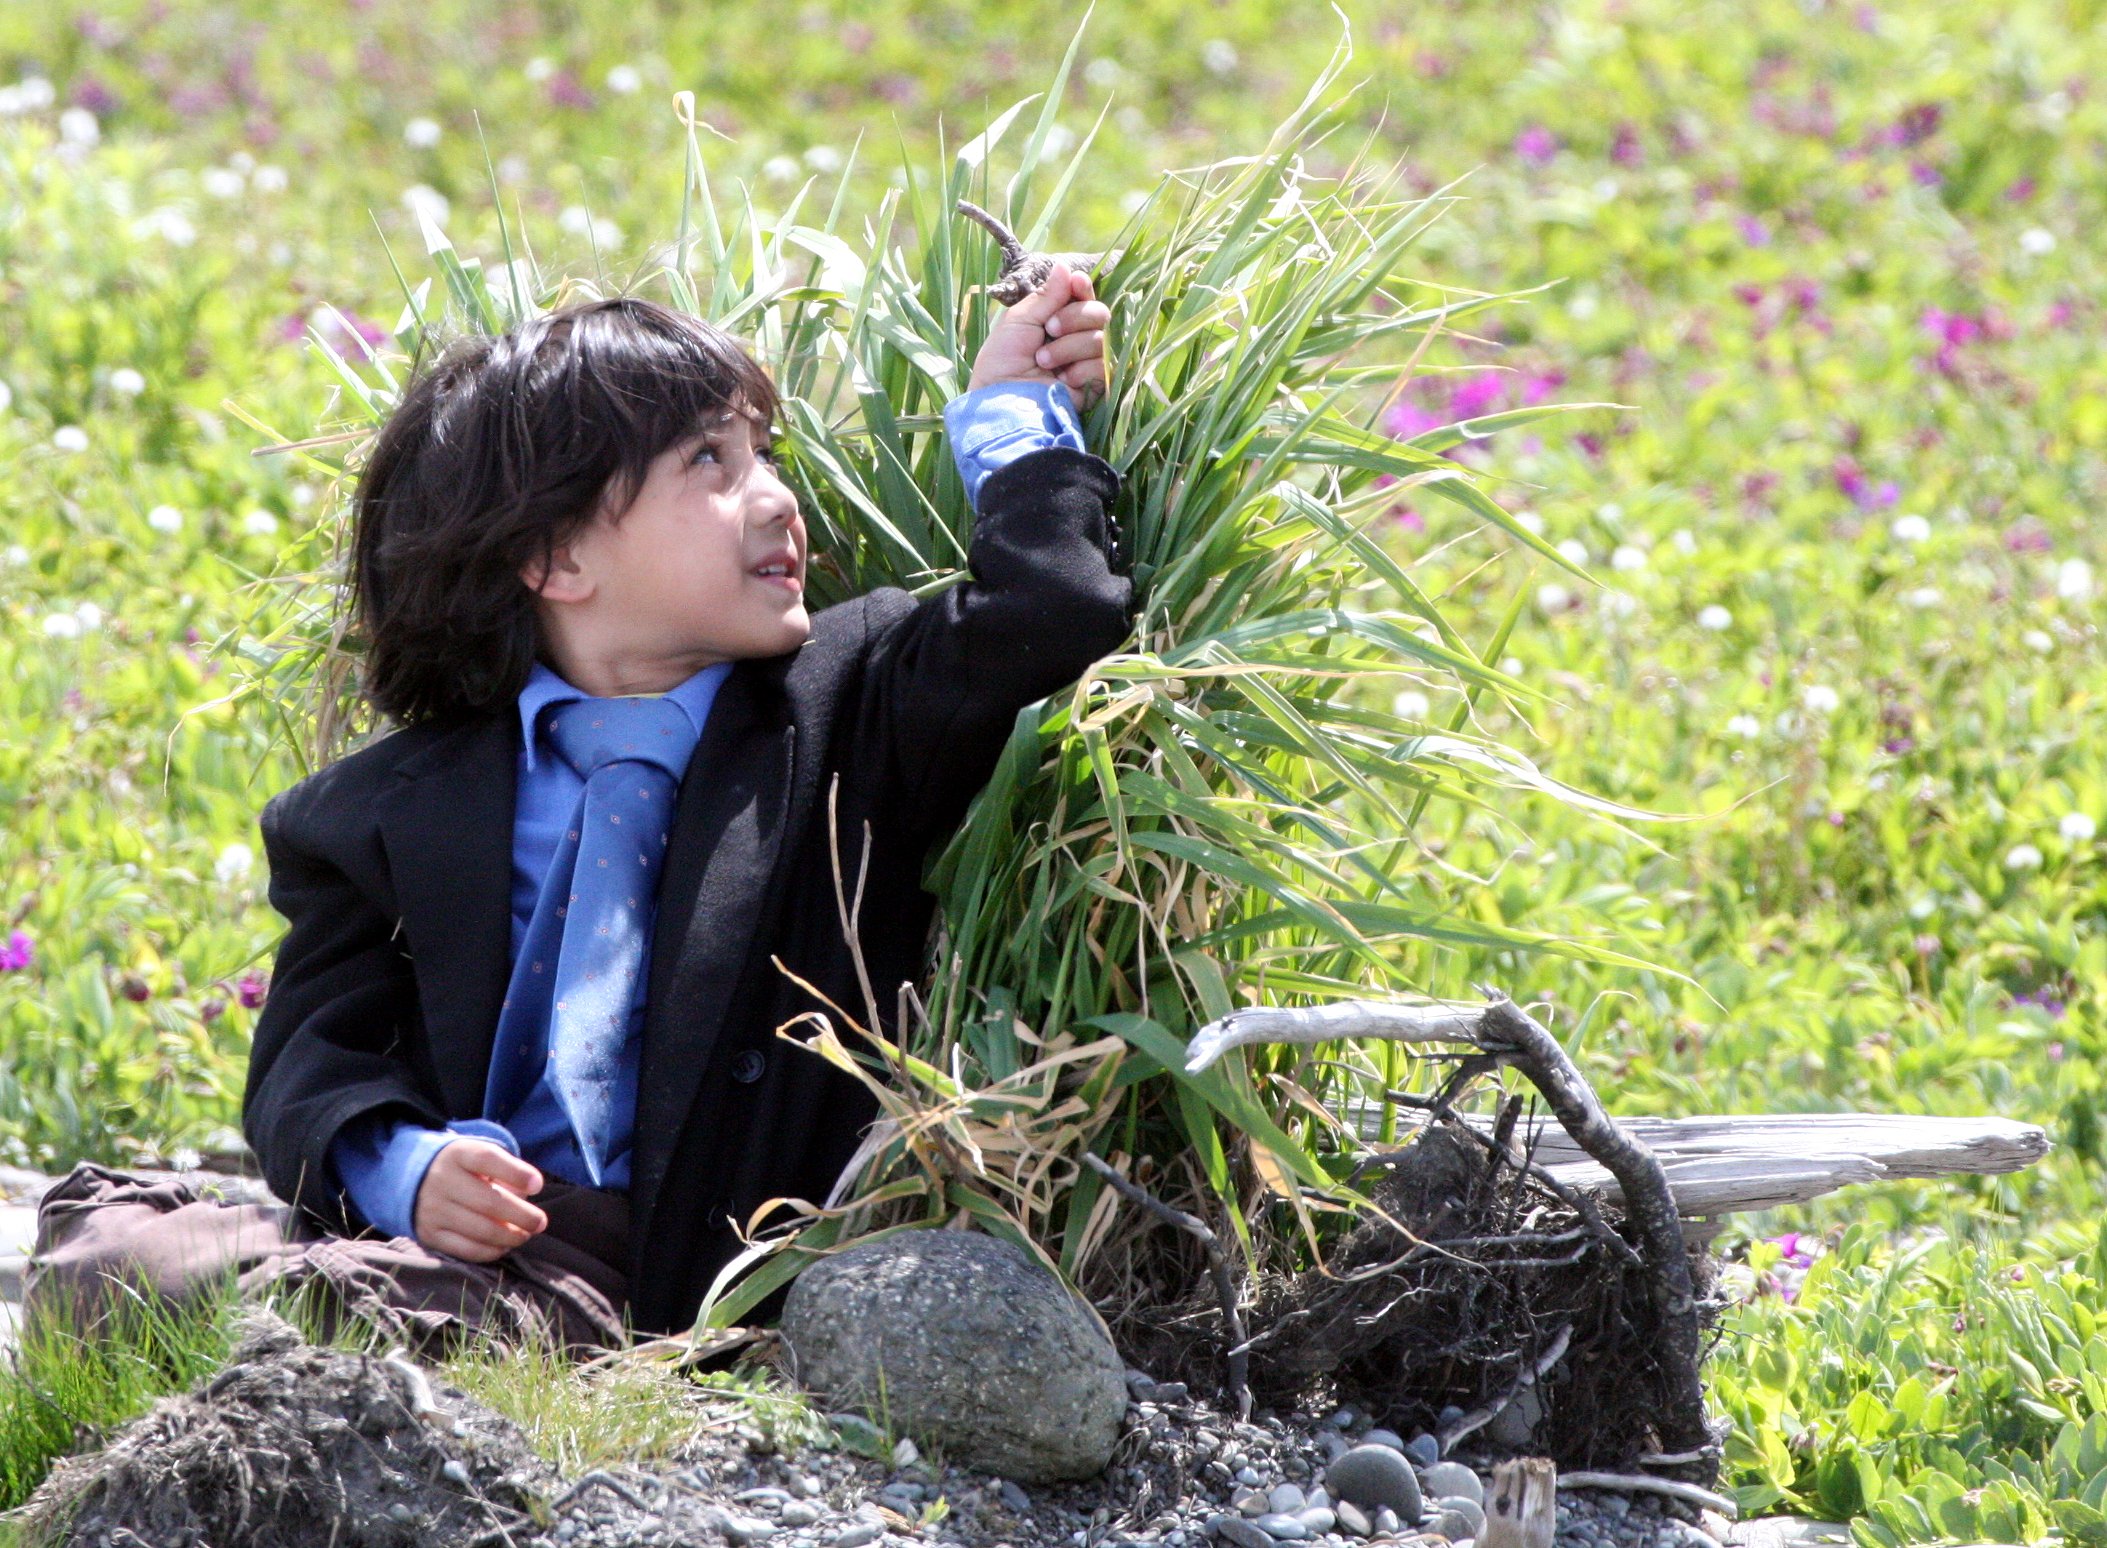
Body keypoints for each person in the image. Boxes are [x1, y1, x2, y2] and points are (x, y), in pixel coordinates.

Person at [24, 259, 1131, 1361]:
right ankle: (310, 1296)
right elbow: (310, 1060)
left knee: (370, 1311)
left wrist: (1011, 416)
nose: (777, 497)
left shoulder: (848, 704)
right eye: (710, 460)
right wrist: (405, 1169)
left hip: (663, 1263)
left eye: (765, 456)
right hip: (457, 1235)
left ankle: (339, 1318)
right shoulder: (389, 806)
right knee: (111, 1250)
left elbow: (1050, 606)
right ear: (554, 556)